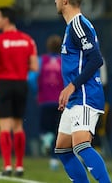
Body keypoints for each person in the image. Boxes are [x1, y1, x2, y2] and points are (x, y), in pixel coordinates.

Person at [54, 0, 111, 183]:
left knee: (81, 146)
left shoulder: (78, 24)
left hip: (85, 95)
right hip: (75, 97)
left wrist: (72, 86)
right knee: (62, 149)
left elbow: (96, 59)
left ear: (65, 0)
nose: (55, 0)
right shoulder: (73, 26)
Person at [0, 6, 39, 176]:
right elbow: (34, 66)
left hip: (4, 84)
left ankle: (7, 166)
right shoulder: (28, 40)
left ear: (6, 20)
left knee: (5, 127)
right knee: (18, 126)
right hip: (21, 84)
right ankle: (20, 166)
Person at [37, 34, 63, 171]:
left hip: (45, 100)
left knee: (44, 129)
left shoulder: (41, 60)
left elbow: (32, 78)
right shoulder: (63, 61)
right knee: (57, 131)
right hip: (60, 102)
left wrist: (38, 90)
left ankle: (46, 139)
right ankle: (54, 161)